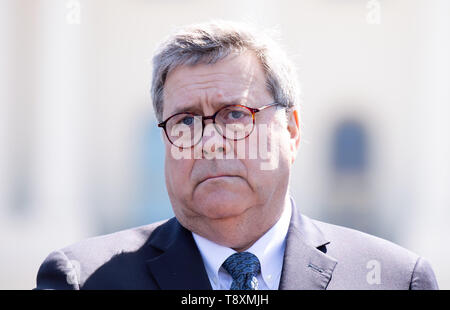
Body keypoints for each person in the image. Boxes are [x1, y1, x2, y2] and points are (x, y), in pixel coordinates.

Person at [34, 20, 438, 290]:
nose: (210, 141)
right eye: (185, 121)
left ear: (292, 131)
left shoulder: (396, 280)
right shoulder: (83, 280)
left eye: (234, 114)